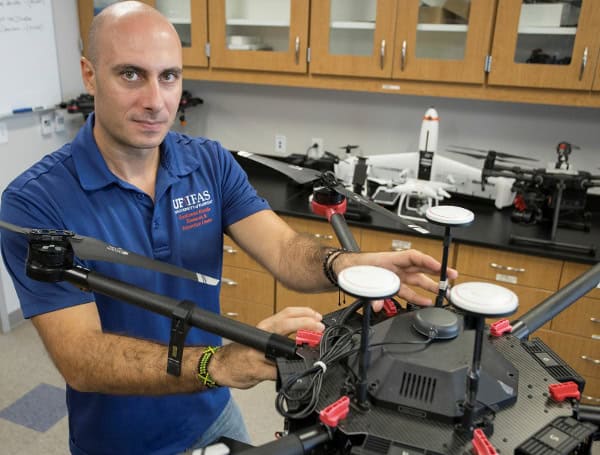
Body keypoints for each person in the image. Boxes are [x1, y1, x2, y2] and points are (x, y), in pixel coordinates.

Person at [0, 2, 457, 454]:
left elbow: (283, 251)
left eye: (169, 76)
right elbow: (81, 358)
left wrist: (349, 265)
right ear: (89, 74)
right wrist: (217, 363)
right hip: (119, 441)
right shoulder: (34, 203)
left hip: (212, 412)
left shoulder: (209, 163)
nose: (155, 101)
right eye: (131, 75)